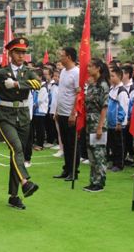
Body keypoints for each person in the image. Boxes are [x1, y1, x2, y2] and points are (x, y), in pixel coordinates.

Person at [0, 38, 41, 210]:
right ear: (10, 53)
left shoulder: (29, 72)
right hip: (6, 116)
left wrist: (17, 83)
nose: (21, 55)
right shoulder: (2, 73)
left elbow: (37, 84)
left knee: (16, 155)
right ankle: (25, 181)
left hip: (23, 116)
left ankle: (14, 196)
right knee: (16, 149)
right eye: (17, 52)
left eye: (23, 52)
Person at [53, 47, 80, 181]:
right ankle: (67, 168)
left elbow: (78, 94)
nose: (60, 58)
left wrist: (73, 113)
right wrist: (57, 110)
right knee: (64, 142)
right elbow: (61, 92)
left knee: (72, 143)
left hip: (71, 113)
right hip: (61, 112)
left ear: (69, 57)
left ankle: (74, 171)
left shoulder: (76, 73)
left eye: (62, 56)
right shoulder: (63, 71)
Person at [83, 59, 110, 192]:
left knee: (99, 153)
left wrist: (100, 126)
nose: (88, 69)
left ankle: (100, 182)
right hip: (90, 121)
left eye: (90, 66)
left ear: (98, 68)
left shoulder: (103, 85)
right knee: (92, 153)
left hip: (98, 121)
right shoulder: (92, 85)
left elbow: (104, 107)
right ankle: (93, 180)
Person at [106, 67, 129, 172]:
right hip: (110, 122)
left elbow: (123, 107)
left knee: (119, 144)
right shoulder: (112, 89)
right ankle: (113, 162)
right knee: (112, 144)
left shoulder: (122, 91)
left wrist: (119, 121)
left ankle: (119, 164)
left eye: (113, 76)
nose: (111, 78)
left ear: (119, 77)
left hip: (118, 123)